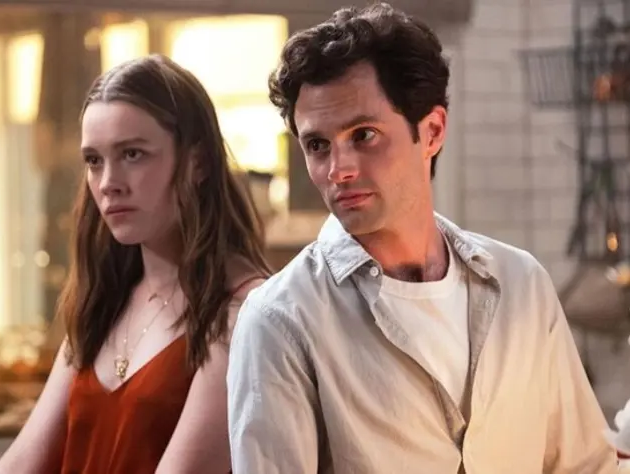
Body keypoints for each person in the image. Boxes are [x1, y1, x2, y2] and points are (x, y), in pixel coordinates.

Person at [226, 4, 618, 473]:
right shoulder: (280, 321)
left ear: (431, 131)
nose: (338, 169)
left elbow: (585, 466)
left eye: (363, 135)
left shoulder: (521, 284)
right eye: (318, 145)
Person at [0, 54, 270, 474]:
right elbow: (21, 463)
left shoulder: (243, 312)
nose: (108, 184)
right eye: (94, 160)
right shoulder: (104, 300)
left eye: (133, 154)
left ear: (198, 163)